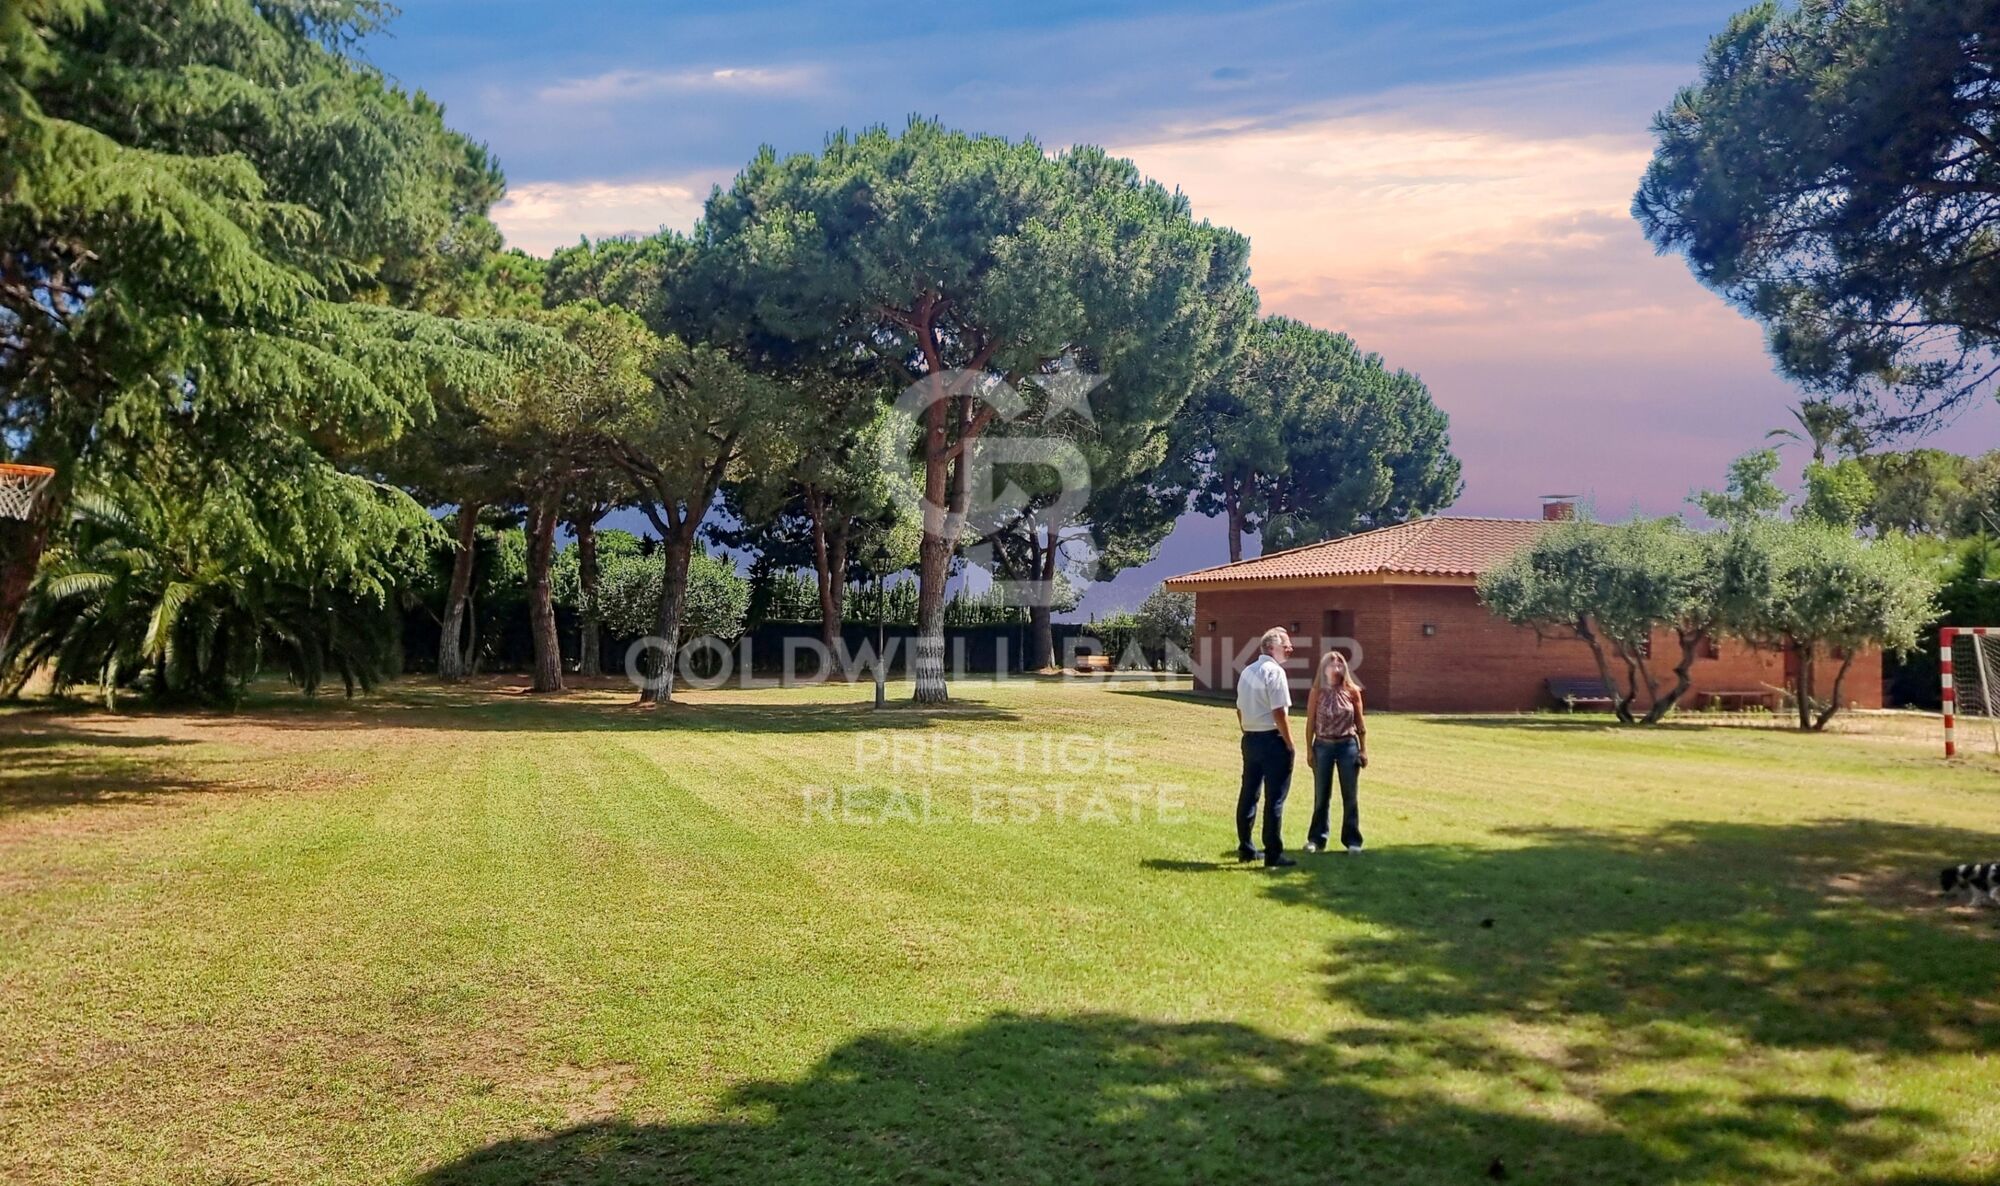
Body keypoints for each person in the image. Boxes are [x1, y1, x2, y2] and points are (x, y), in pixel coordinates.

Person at [1233, 626, 1297, 868]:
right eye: (1286, 645)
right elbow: (1279, 711)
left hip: (1250, 738)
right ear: (1272, 647)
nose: (1290, 649)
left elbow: (1239, 708)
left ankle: (1246, 848)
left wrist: (1247, 730)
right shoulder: (1276, 672)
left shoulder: (1247, 671)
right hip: (1272, 739)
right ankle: (1273, 853)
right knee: (1275, 799)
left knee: (1249, 794)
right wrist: (1289, 743)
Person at [1304, 647, 1368, 854]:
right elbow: (1310, 722)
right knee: (1322, 795)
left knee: (1350, 795)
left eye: (1340, 663)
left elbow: (1360, 721)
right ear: (1323, 669)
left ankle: (1353, 841)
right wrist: (1309, 750)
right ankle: (1317, 839)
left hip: (1347, 745)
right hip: (1323, 745)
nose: (1336, 667)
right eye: (1332, 663)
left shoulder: (1352, 691)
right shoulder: (1317, 692)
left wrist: (1363, 749)